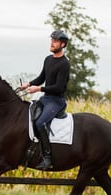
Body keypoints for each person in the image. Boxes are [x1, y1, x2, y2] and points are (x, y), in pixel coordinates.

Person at [20, 30, 70, 170]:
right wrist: (28, 84)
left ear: (63, 44)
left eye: (55, 41)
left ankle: (48, 158)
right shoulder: (48, 59)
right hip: (46, 99)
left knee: (40, 122)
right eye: (51, 40)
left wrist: (38, 89)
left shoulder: (64, 64)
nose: (52, 43)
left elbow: (59, 87)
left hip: (56, 101)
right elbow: (42, 78)